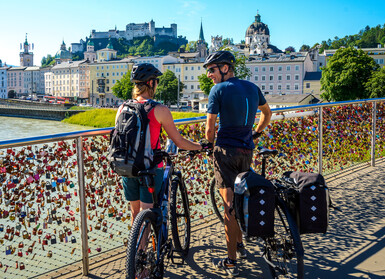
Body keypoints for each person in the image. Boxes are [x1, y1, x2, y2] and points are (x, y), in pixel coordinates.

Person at [204, 51, 272, 277]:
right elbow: (267, 113)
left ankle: (231, 260)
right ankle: (241, 244)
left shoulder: (218, 90)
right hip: (246, 150)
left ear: (225, 68)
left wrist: (209, 145)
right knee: (241, 197)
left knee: (229, 208)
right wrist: (256, 133)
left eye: (211, 70)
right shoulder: (252, 88)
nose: (209, 75)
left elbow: (210, 128)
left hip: (225, 152)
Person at [117, 63, 206, 223]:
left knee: (135, 212)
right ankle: (146, 247)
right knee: (147, 212)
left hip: (127, 166)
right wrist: (200, 146)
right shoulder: (160, 109)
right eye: (156, 81)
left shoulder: (123, 107)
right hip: (150, 167)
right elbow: (178, 141)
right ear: (151, 83)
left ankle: (136, 248)